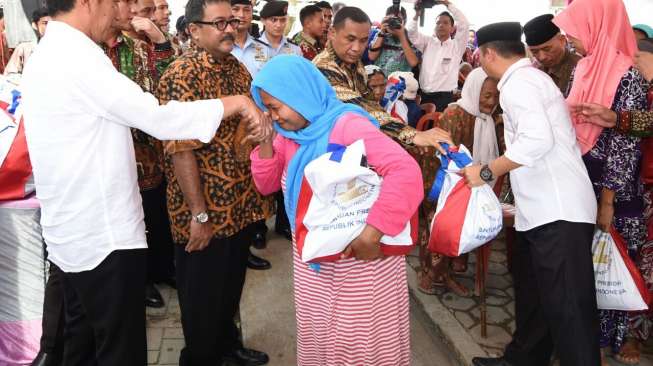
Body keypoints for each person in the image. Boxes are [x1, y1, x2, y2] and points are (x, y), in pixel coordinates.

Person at [20, 0, 268, 361]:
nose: (121, 12)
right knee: (119, 350)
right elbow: (158, 118)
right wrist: (237, 104)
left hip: (75, 234)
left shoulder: (53, 51)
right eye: (116, 2)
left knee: (83, 345)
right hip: (102, 238)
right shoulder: (77, 58)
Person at [250, 54, 424, 366]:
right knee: (322, 338)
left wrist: (373, 232)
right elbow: (266, 187)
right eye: (267, 109)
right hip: (315, 261)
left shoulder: (346, 126)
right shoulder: (289, 136)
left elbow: (406, 171)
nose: (272, 116)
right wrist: (265, 144)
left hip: (359, 262)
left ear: (299, 94)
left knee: (359, 343)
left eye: (275, 106)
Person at [465, 22, 600, 366]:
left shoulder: (519, 84)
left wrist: (486, 171)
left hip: (559, 210)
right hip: (541, 210)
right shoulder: (526, 79)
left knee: (569, 309)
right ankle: (522, 360)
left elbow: (538, 140)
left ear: (487, 54)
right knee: (535, 296)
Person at [155, 1, 274, 364]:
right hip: (204, 211)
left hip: (238, 205)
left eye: (233, 21)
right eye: (220, 22)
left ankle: (228, 347)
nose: (230, 28)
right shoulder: (181, 75)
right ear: (193, 30)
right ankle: (201, 358)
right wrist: (200, 216)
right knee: (202, 298)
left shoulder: (237, 68)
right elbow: (180, 151)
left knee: (230, 287)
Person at [556, 0, 650, 364]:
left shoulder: (628, 73)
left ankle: (616, 339)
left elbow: (626, 146)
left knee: (616, 261)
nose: (571, 39)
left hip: (615, 187)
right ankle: (588, 337)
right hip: (582, 179)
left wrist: (607, 200)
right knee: (587, 265)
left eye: (575, 29)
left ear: (597, 24)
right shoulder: (582, 68)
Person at [103, 0, 178, 308]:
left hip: (148, 153)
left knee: (155, 214)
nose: (132, 15)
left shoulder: (137, 48)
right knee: (127, 223)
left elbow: (167, 82)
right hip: (110, 156)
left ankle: (162, 269)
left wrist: (161, 41)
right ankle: (142, 280)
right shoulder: (89, 52)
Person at [313, 6, 452, 150]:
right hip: (323, 147)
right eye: (350, 39)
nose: (357, 48)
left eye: (363, 40)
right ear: (332, 33)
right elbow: (361, 107)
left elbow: (369, 101)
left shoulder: (353, 61)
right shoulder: (324, 67)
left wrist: (407, 137)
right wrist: (412, 135)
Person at [419, 67, 503, 297]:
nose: (491, 102)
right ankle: (433, 277)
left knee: (464, 227)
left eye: (496, 96)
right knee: (443, 225)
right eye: (486, 96)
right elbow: (440, 156)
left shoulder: (489, 118)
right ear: (474, 91)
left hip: (470, 185)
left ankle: (450, 273)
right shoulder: (455, 115)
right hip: (444, 183)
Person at [231, 0, 290, 254]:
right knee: (238, 179)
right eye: (236, 10)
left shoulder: (262, 50)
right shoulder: (222, 47)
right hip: (231, 126)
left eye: (246, 10)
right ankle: (241, 237)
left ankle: (258, 228)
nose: (242, 15)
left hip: (263, 123)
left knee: (264, 175)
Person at [408, 0, 470, 111]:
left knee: (439, 128)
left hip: (444, 98)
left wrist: (447, 4)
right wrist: (417, 15)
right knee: (422, 127)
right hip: (423, 96)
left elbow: (464, 24)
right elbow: (412, 34)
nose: (441, 25)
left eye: (445, 23)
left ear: (452, 28)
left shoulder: (457, 46)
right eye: (438, 23)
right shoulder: (428, 42)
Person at [523, 14, 580, 97]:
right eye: (534, 51)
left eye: (547, 49)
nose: (542, 57)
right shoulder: (535, 69)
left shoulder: (579, 69)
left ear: (562, 40)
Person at [367, 5, 420, 76]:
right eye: (390, 19)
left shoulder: (411, 37)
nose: (393, 22)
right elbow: (371, 57)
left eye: (397, 19)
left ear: (404, 21)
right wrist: (382, 33)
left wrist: (401, 36)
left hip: (399, 83)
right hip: (380, 81)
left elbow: (413, 62)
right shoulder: (380, 34)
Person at [4, 9, 50, 75]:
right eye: (45, 23)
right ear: (35, 25)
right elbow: (11, 75)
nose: (50, 27)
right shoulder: (24, 49)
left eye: (53, 24)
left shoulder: (64, 48)